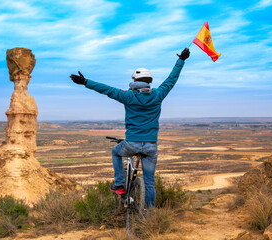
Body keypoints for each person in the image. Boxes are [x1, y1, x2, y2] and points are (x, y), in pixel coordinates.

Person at [69, 48, 190, 208]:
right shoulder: (158, 95)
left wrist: (86, 82)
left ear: (134, 81)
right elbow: (171, 79)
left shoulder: (128, 96)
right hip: (151, 146)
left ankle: (119, 184)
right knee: (149, 182)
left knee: (115, 152)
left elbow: (108, 90)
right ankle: (149, 216)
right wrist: (181, 60)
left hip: (131, 143)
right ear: (149, 81)